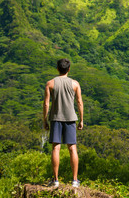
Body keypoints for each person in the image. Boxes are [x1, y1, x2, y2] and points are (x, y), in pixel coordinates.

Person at [43, 58, 84, 188]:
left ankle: (55, 180)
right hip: (71, 118)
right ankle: (75, 180)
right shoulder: (75, 84)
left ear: (57, 68)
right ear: (69, 69)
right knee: (72, 148)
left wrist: (45, 119)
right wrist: (81, 120)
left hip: (55, 118)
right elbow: (79, 102)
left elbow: (46, 103)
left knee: (56, 147)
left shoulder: (50, 83)